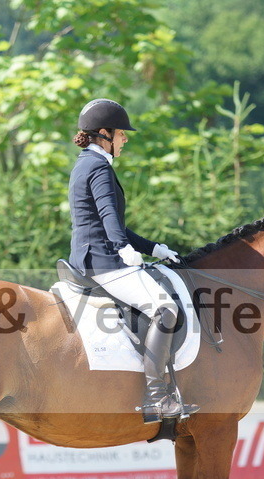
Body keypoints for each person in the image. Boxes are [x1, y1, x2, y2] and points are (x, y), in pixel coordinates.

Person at [67, 98, 188, 424]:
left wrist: (153, 248)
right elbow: (108, 217)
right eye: (121, 134)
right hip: (103, 261)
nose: (125, 139)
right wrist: (123, 250)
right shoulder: (99, 168)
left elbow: (113, 222)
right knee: (167, 309)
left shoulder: (85, 164)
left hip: (93, 256)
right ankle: (156, 397)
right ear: (104, 133)